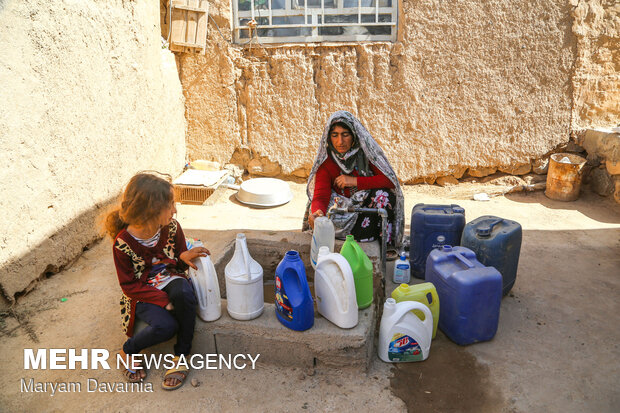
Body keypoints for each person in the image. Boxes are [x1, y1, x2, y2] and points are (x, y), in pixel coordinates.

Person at [104, 172, 209, 390]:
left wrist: (183, 258)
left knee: (183, 292)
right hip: (142, 293)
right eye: (170, 204)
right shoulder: (123, 244)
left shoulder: (172, 228)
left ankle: (182, 355)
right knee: (166, 326)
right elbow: (130, 285)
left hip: (170, 280)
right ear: (151, 210)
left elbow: (177, 265)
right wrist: (163, 301)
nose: (175, 210)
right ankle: (128, 350)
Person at [303, 111, 405, 247]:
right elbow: (321, 196)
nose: (340, 141)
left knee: (384, 196)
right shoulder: (326, 161)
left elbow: (389, 181)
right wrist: (318, 213)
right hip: (339, 215)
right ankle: (355, 236)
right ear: (328, 138)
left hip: (361, 214)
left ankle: (385, 246)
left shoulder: (366, 154)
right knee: (318, 214)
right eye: (335, 135)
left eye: (345, 135)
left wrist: (354, 181)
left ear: (354, 135)